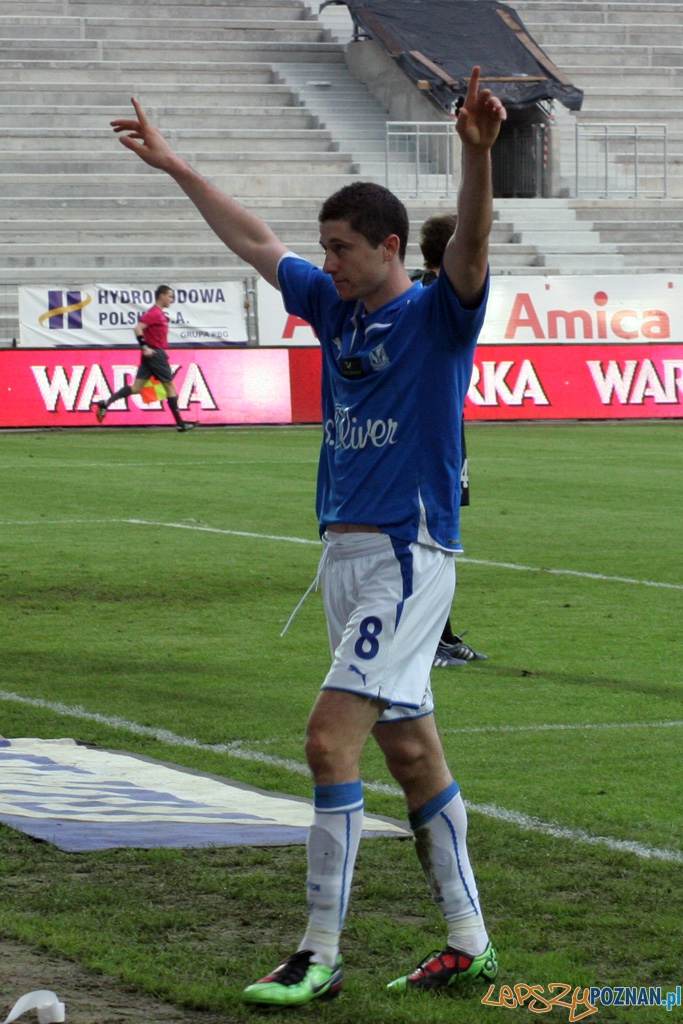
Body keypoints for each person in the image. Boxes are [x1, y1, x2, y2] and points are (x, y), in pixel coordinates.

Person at [110, 64, 505, 1005]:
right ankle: (468, 940)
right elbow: (254, 239)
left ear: (388, 248)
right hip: (344, 556)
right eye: (322, 250)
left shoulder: (435, 319)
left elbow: (473, 245)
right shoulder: (335, 310)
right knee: (410, 754)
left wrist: (474, 154)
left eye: (340, 249)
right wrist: (175, 166)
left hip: (405, 560)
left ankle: (318, 953)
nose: (323, 264)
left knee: (330, 742)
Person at [413, 213, 488, 669]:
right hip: (427, 432)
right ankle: (429, 639)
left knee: (439, 535)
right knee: (430, 538)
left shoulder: (433, 293)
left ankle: (438, 633)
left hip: (445, 426)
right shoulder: (433, 296)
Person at [93, 284, 192, 431]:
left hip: (151, 355)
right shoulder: (154, 313)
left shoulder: (159, 314)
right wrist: (144, 347)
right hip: (155, 354)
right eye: (170, 296)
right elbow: (138, 328)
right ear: (161, 296)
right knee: (170, 386)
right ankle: (180, 423)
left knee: (136, 388)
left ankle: (106, 402)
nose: (172, 300)